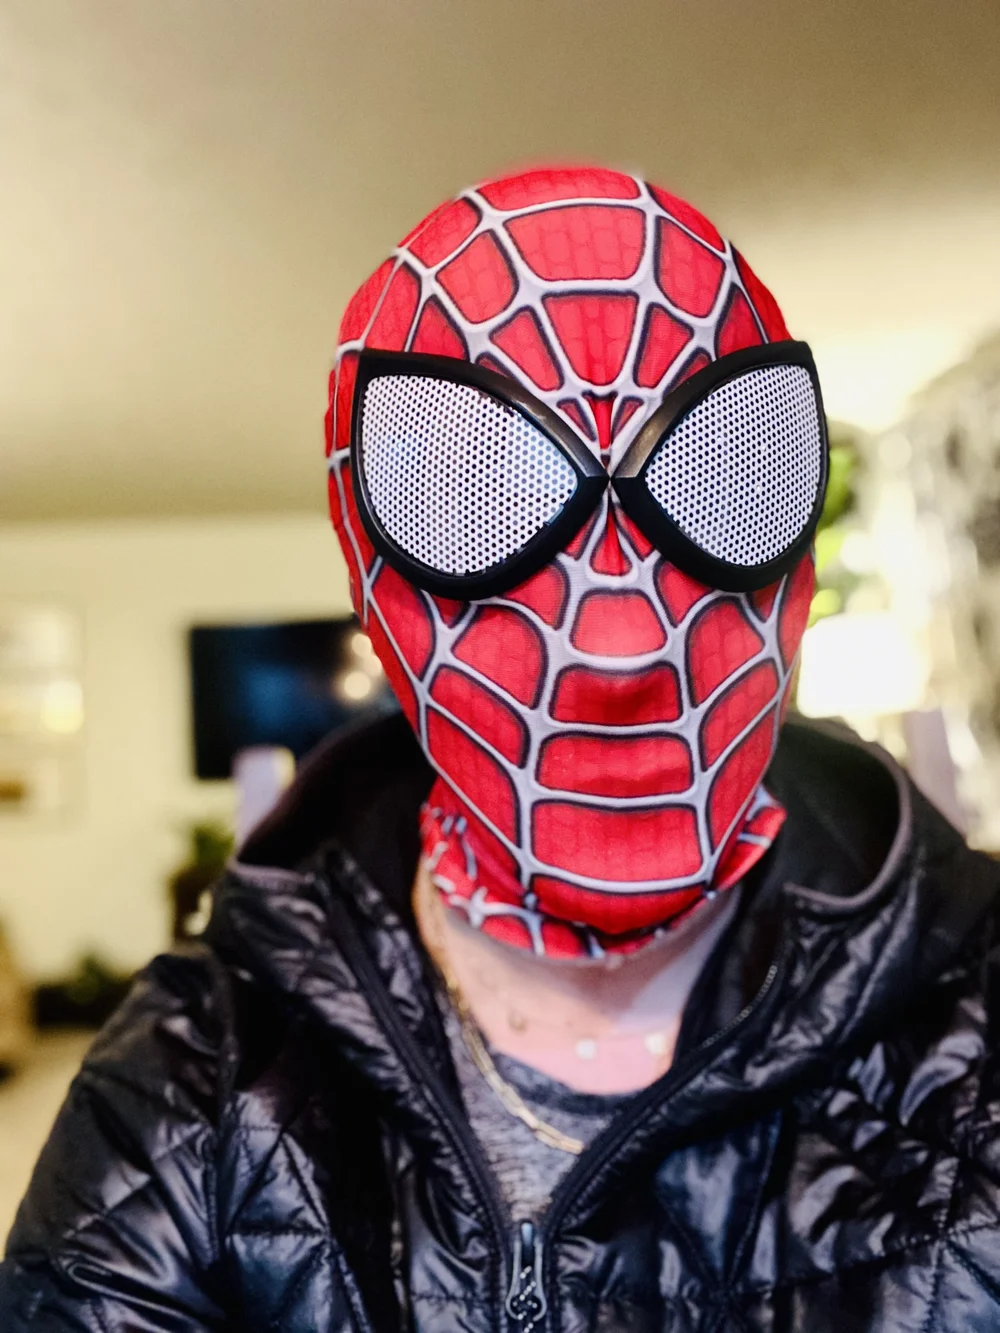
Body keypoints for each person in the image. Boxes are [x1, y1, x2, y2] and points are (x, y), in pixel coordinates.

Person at [3, 165, 1000, 1333]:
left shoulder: (973, 1026)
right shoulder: (192, 1086)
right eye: (481, 501)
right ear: (373, 583)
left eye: (719, 478)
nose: (620, 643)